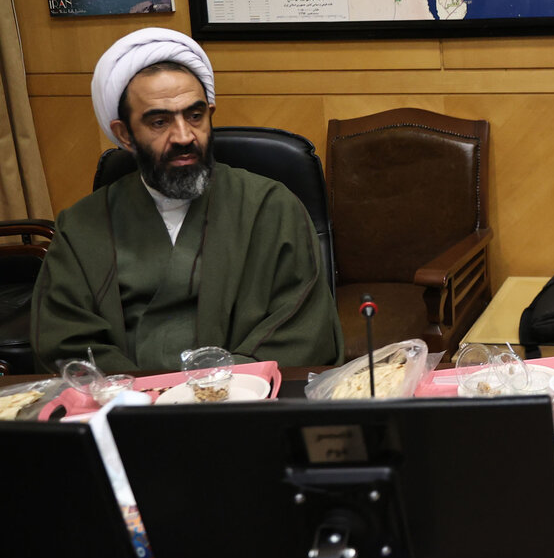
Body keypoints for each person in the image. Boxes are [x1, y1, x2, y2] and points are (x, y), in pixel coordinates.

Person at [31, 27, 343, 373]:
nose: (183, 136)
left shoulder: (271, 207)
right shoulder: (81, 227)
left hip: (245, 397)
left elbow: (303, 327)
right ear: (124, 134)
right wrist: (140, 393)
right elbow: (65, 340)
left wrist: (218, 386)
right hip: (125, 402)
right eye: (159, 122)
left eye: (195, 116)